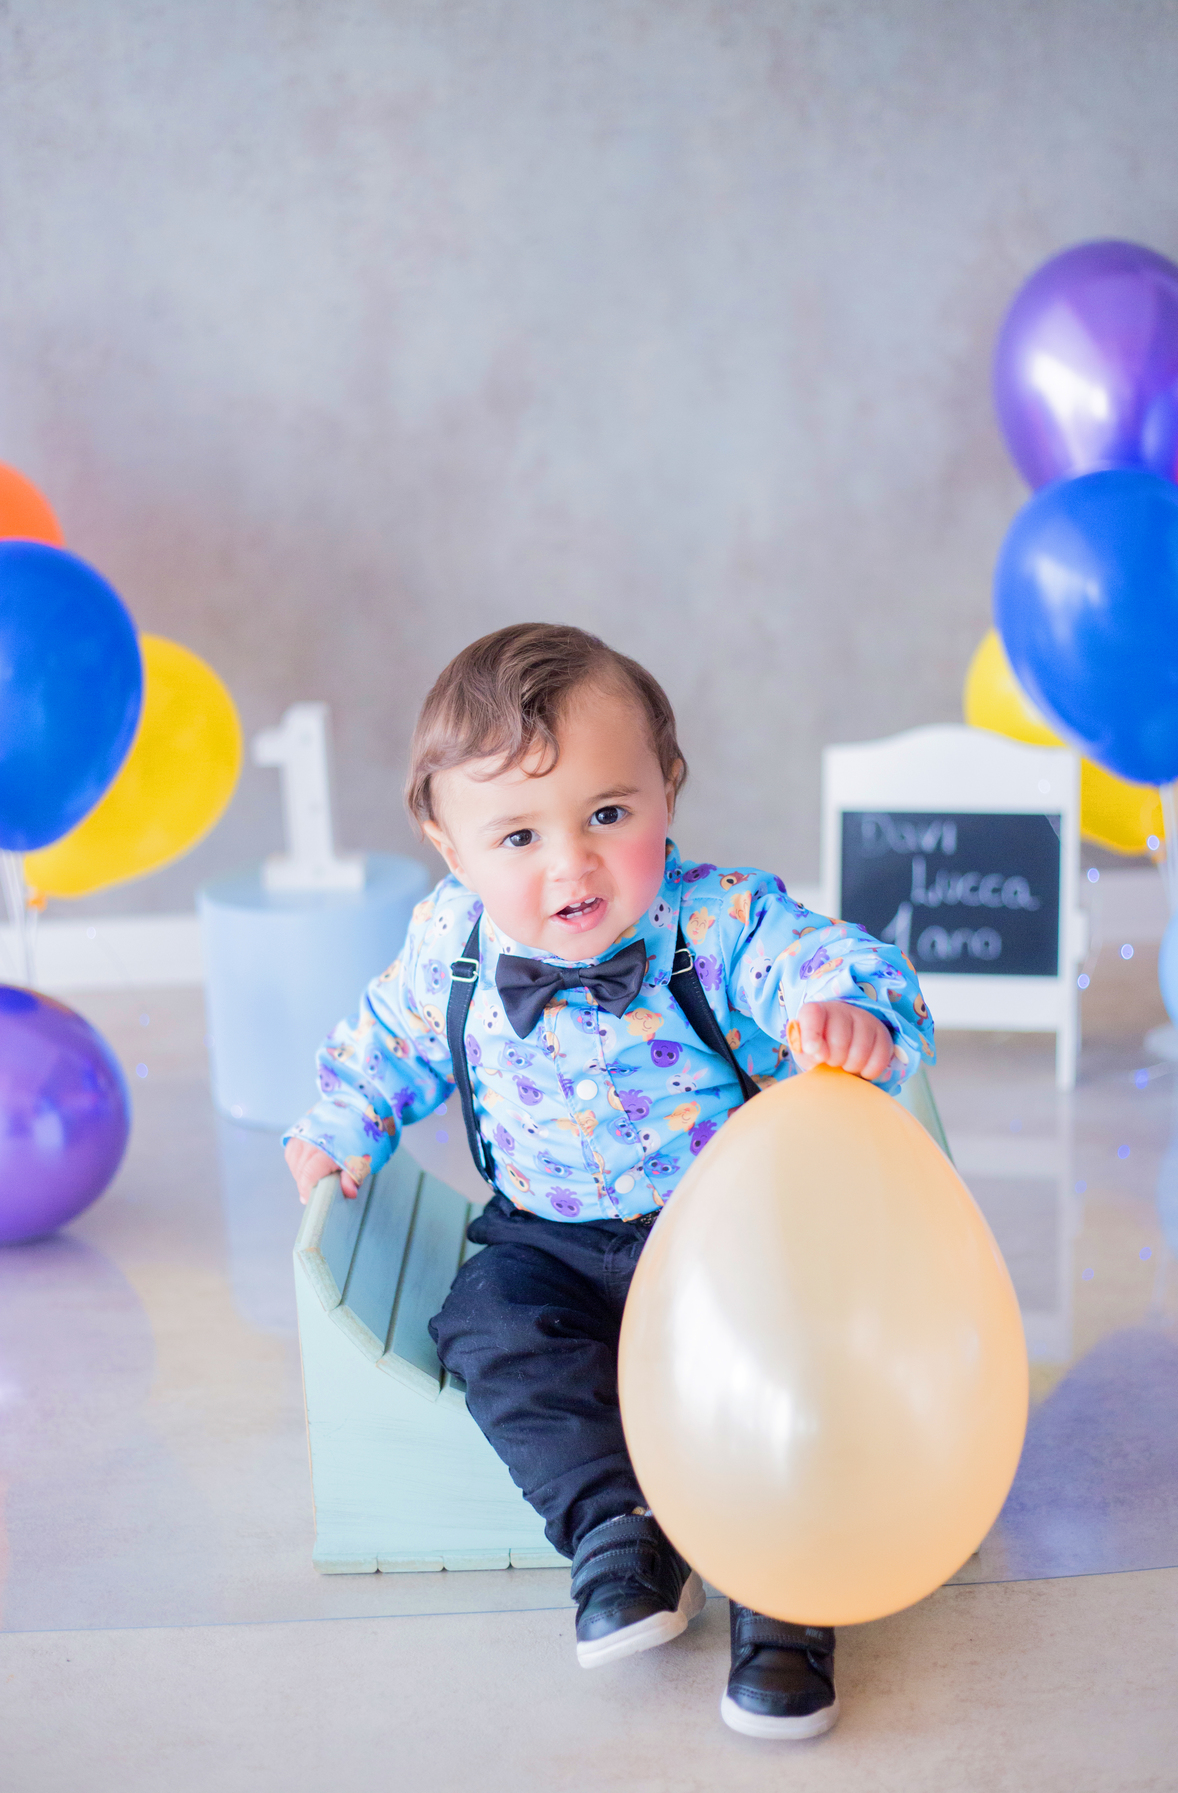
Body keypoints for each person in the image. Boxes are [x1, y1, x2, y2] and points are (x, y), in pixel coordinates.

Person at [285, 622, 935, 1742]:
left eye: (607, 815)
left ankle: (785, 1587)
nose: (570, 864)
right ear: (450, 845)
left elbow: (828, 957)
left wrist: (844, 1008)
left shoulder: (719, 919)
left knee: (787, 1358)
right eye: (518, 834)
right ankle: (617, 1530)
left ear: (668, 787)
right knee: (487, 1324)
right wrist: (346, 1121)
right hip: (548, 1235)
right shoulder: (450, 945)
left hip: (730, 1231)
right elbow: (386, 1040)